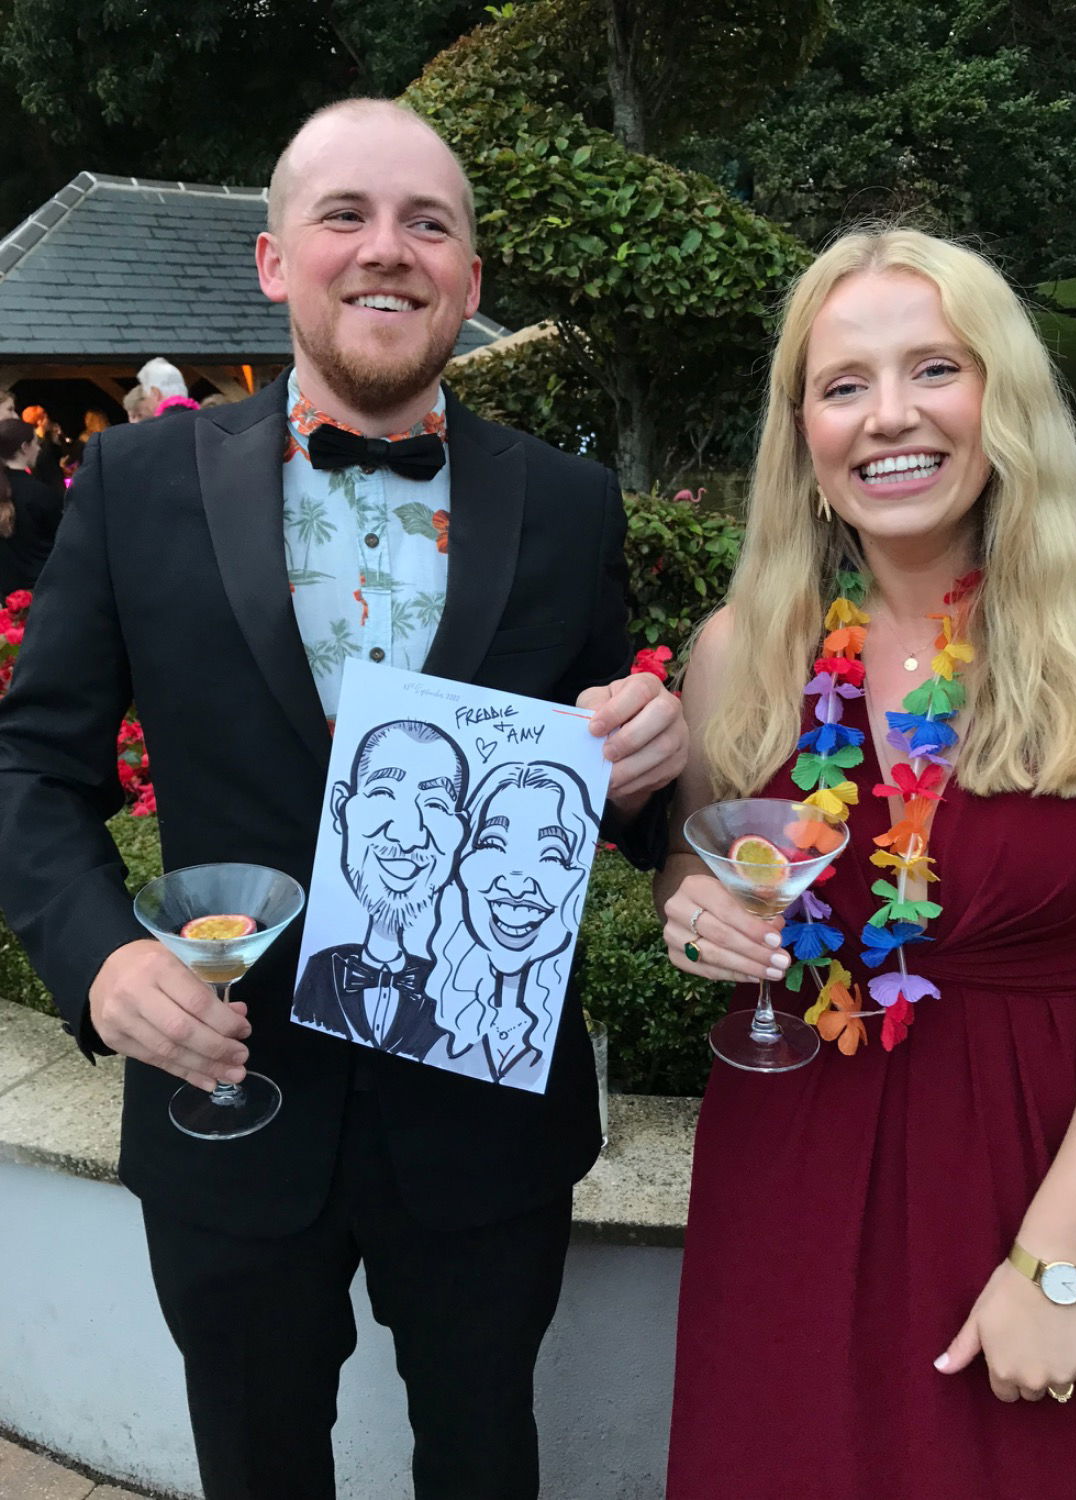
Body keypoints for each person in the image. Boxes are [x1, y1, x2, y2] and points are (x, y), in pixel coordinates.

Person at [0, 97, 686, 1500]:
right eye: (345, 216)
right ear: (273, 261)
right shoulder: (133, 481)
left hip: (487, 1123)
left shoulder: (570, 503)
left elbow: (613, 803)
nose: (388, 249)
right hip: (228, 1096)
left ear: (469, 280)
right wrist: (102, 961)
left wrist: (650, 756)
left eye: (427, 223)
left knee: (485, 1461)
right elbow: (31, 768)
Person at [656, 227, 1076, 1499]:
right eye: (843, 384)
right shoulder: (741, 650)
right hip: (791, 1193)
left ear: (1002, 399)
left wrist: (1056, 1264)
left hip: (1052, 1187)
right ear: (802, 434)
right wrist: (693, 917)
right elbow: (694, 875)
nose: (888, 416)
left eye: (934, 368)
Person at [293, 718, 469, 1059]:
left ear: (460, 830)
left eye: (435, 804)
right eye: (384, 793)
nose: (408, 835)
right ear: (341, 807)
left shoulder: (453, 990)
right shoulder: (317, 970)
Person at [428, 760, 601, 1086]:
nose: (517, 885)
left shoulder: (557, 1046)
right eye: (493, 844)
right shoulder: (432, 1030)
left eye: (552, 854)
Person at [0, 417, 65, 595]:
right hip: (42, 588)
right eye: (36, 443)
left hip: (7, 593)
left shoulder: (11, 488)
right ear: (24, 447)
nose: (39, 448)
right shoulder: (38, 493)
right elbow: (62, 538)